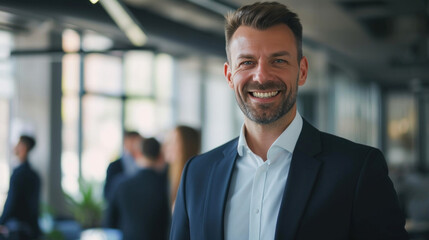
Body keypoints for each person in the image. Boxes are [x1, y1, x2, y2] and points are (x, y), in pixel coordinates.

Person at [170, 2, 408, 240]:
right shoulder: (197, 174)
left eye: (279, 61)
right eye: (247, 62)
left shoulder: (357, 170)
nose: (261, 76)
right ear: (229, 76)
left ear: (302, 71)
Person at [104, 137, 170, 240]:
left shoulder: (120, 184)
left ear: (138, 154)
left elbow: (109, 222)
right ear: (160, 156)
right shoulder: (167, 186)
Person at [0, 135, 41, 239]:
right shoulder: (35, 175)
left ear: (24, 147)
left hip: (17, 229)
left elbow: (11, 200)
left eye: (18, 144)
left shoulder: (18, 174)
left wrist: (2, 221)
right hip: (30, 228)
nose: (15, 147)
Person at [162, 126, 200, 209]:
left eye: (173, 142)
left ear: (187, 146)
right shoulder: (167, 174)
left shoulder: (195, 179)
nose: (166, 147)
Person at [103, 131, 142, 202]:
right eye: (133, 141)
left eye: (139, 142)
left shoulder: (144, 165)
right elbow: (107, 194)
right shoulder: (114, 166)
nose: (136, 145)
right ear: (125, 143)